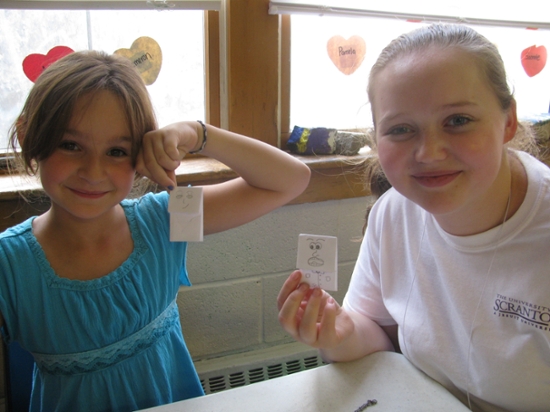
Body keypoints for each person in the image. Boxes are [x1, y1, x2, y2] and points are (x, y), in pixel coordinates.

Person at [0, 50, 311, 412]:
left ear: (142, 154)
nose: (93, 170)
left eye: (117, 151)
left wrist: (197, 134)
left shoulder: (164, 220)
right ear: (29, 135)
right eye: (71, 146)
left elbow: (291, 180)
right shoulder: (9, 264)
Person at [277, 23, 550, 412]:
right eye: (401, 129)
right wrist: (339, 333)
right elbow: (378, 332)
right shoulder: (393, 213)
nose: (429, 153)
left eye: (458, 120)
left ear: (508, 121)